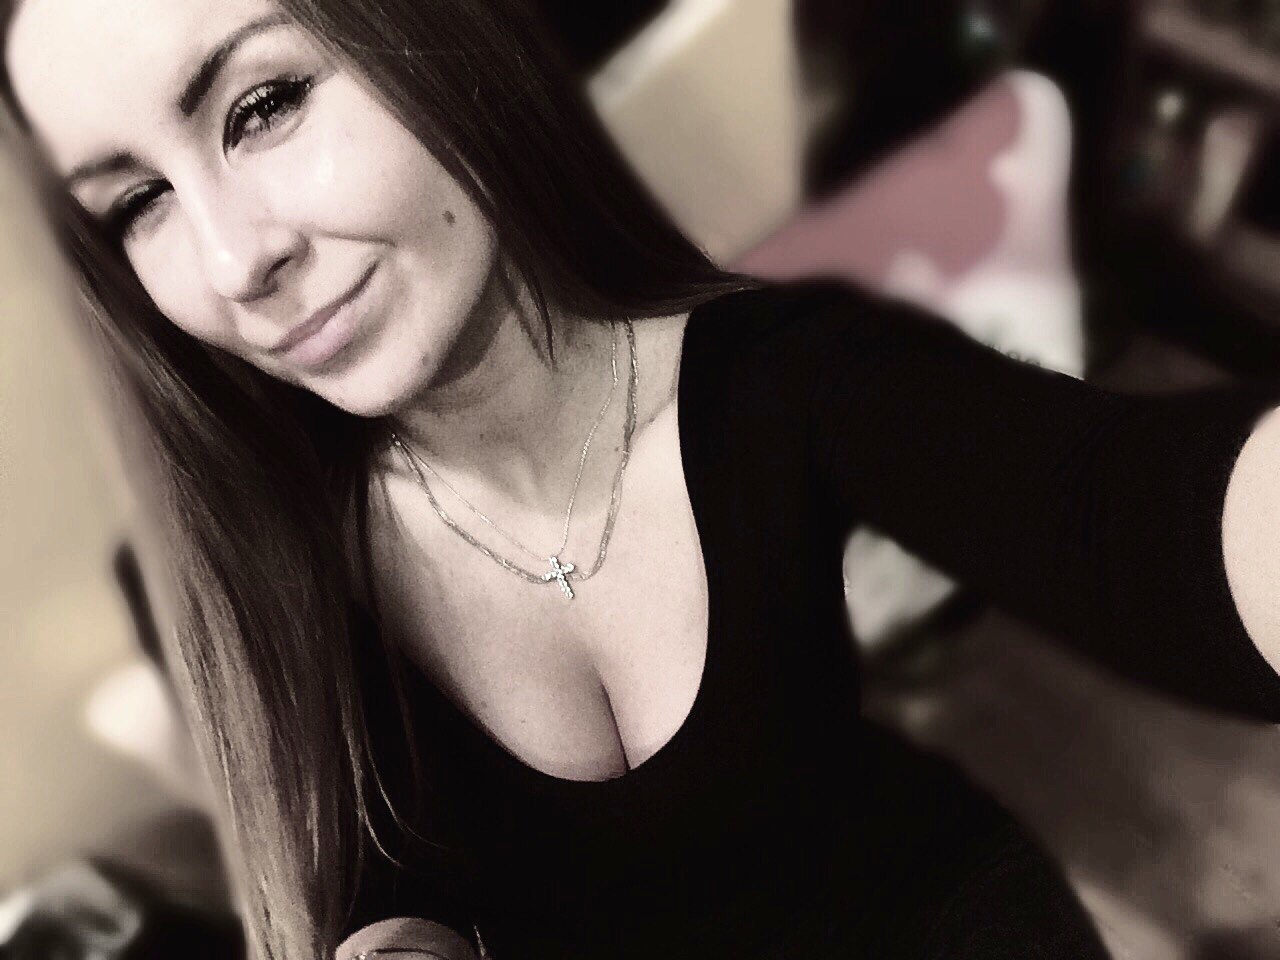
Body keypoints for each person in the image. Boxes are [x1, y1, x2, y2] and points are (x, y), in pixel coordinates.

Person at [3, 2, 1280, 959]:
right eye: (138, 201)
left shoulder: (785, 377)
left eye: (264, 104)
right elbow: (376, 881)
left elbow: (1138, 514)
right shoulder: (245, 569)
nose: (232, 263)